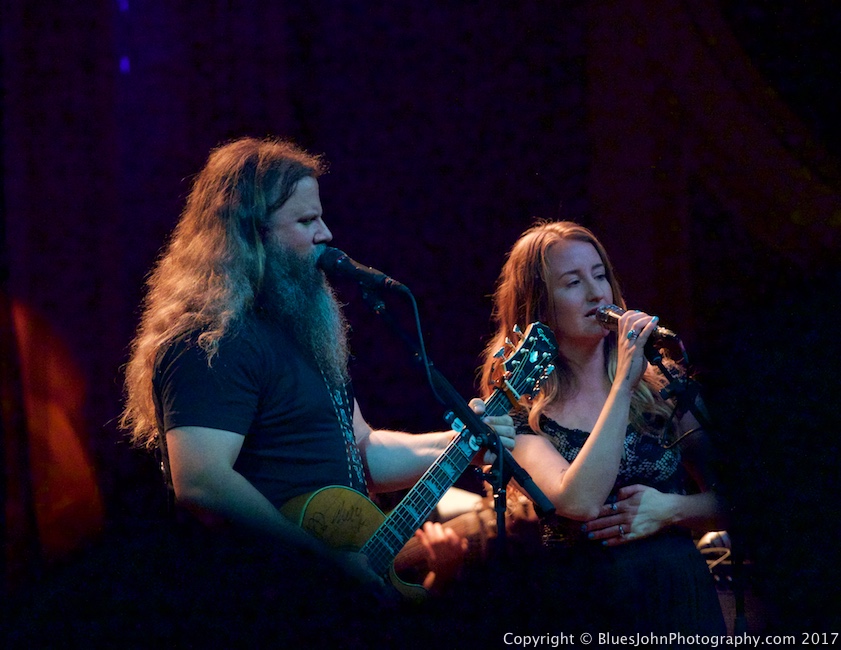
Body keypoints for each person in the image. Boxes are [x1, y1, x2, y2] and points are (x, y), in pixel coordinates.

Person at [119, 136, 512, 641]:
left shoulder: (305, 332)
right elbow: (200, 482)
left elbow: (363, 451)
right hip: (265, 600)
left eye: (320, 217)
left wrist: (462, 443)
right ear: (249, 235)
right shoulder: (210, 342)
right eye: (306, 222)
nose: (326, 233)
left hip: (331, 592)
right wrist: (322, 561)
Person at [479, 220, 726, 635]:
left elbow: (743, 500)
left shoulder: (664, 388)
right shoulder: (518, 408)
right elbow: (578, 501)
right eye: (573, 282)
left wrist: (671, 510)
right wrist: (623, 386)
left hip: (679, 602)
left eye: (600, 276)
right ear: (539, 306)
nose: (597, 293)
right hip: (583, 608)